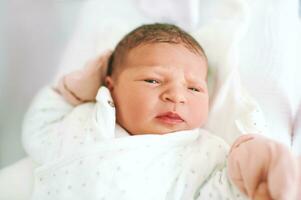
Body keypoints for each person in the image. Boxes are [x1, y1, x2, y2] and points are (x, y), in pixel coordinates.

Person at [22, 23, 300, 200]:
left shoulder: (203, 151)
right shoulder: (82, 121)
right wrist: (72, 90)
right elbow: (39, 126)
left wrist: (247, 169)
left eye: (194, 89)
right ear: (111, 86)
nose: (176, 96)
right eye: (153, 80)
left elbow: (215, 193)